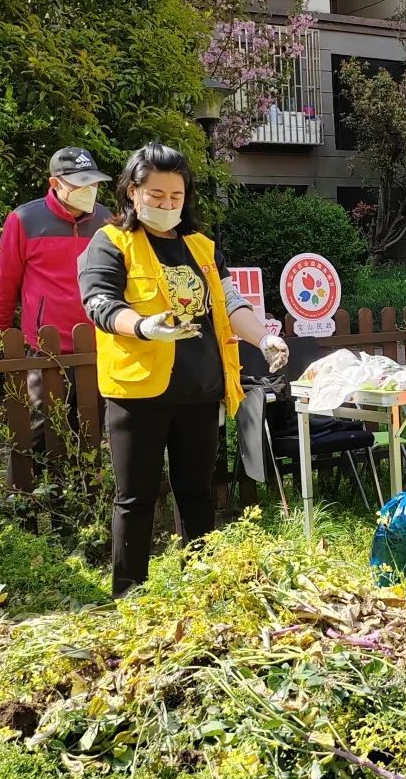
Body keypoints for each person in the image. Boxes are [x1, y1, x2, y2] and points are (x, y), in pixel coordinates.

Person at [78, 141, 289, 598]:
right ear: (132, 192)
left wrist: (263, 337)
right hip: (139, 394)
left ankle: (201, 586)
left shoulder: (200, 246)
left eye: (176, 196)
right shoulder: (111, 242)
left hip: (199, 389)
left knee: (197, 492)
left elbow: (229, 302)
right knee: (135, 498)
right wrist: (143, 326)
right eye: (156, 195)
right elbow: (100, 303)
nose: (167, 204)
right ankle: (129, 594)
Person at [0, 147, 113, 443]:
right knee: (40, 432)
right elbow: (7, 278)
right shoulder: (24, 219)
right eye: (80, 183)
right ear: (55, 183)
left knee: (89, 431)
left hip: (97, 344)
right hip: (45, 346)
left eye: (93, 182)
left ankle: (84, 477)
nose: (89, 189)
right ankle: (35, 476)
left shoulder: (108, 221)